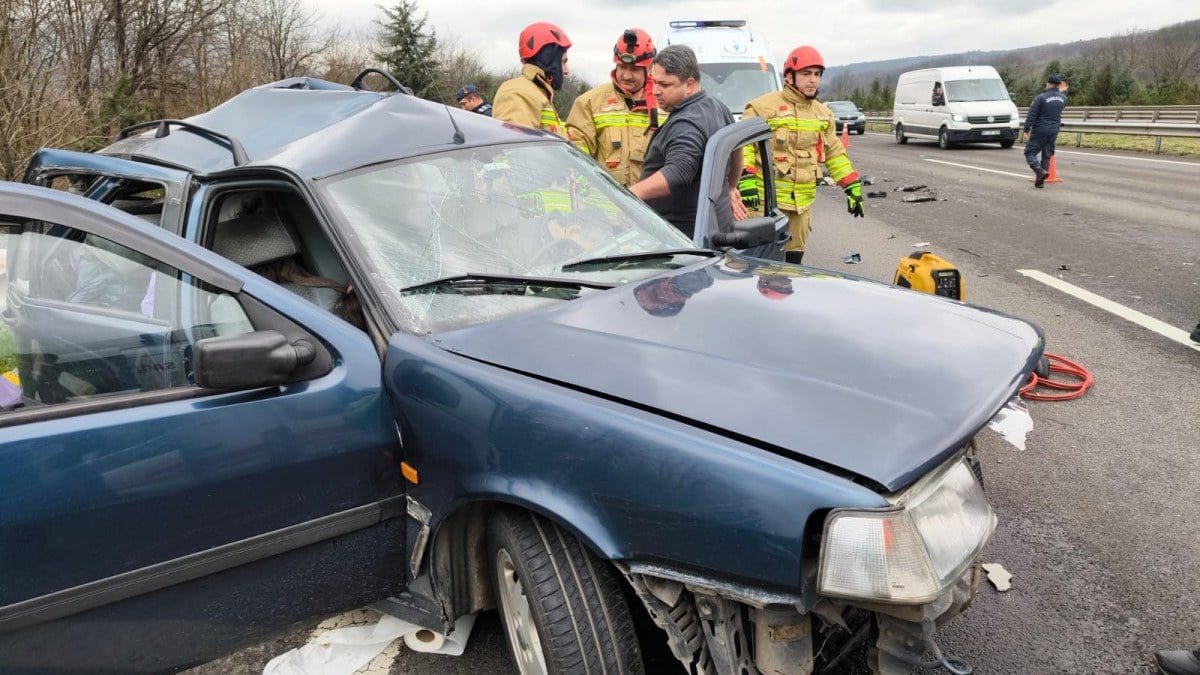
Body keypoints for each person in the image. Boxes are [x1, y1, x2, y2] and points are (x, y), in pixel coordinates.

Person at [741, 45, 864, 265]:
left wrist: (851, 185)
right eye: (806, 74)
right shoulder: (761, 107)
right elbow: (744, 146)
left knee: (793, 265)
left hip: (802, 206)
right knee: (759, 266)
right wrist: (745, 177)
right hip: (765, 204)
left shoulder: (823, 114)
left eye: (817, 74)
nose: (813, 80)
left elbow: (834, 153)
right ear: (789, 76)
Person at [628, 45, 745, 238]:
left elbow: (679, 171)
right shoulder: (717, 107)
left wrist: (629, 195)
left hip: (682, 240)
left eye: (664, 85)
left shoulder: (687, 122)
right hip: (717, 229)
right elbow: (737, 148)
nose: (655, 91)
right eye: (654, 82)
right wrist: (732, 186)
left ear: (689, 84)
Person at [566, 28, 664, 186]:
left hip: (650, 208)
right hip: (605, 206)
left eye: (634, 69)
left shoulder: (665, 103)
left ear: (649, 68)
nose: (626, 75)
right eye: (622, 67)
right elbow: (576, 155)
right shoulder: (590, 102)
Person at [492, 22, 571, 138]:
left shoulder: (538, 93)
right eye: (563, 62)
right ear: (548, 60)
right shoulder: (518, 92)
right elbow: (517, 149)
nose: (566, 71)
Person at [1022, 74, 1069, 188]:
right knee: (1047, 154)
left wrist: (1027, 129)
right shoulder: (1063, 98)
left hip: (1040, 129)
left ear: (1048, 83)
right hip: (1054, 129)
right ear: (1058, 85)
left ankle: (1039, 171)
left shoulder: (1040, 98)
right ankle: (1040, 182)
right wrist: (1061, 92)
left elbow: (1031, 115)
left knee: (1030, 152)